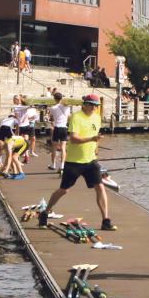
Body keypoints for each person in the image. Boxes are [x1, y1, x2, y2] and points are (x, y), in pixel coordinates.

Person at [38, 94, 113, 231]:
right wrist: (92, 139)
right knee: (64, 190)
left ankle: (105, 220)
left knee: (100, 188)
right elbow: (73, 139)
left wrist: (96, 148)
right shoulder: (76, 117)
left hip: (90, 160)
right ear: (84, 104)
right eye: (90, 104)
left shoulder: (97, 118)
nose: (93, 108)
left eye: (96, 105)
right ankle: (45, 212)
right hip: (74, 161)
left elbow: (96, 137)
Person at [48, 92, 71, 171]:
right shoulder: (67, 107)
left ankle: (53, 165)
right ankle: (62, 165)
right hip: (64, 128)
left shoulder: (53, 108)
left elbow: (51, 118)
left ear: (54, 98)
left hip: (57, 128)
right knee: (63, 148)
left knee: (54, 147)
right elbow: (68, 117)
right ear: (61, 98)